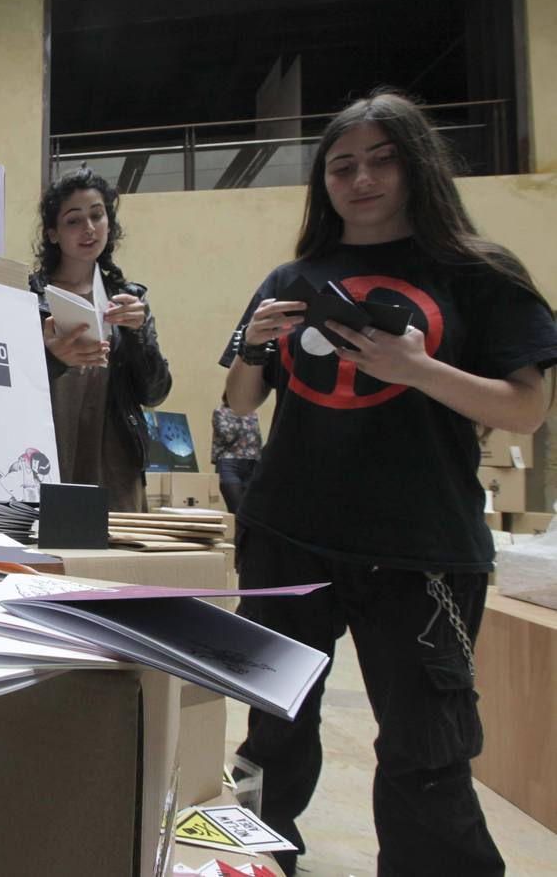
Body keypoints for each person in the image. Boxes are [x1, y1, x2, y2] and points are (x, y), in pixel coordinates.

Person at [219, 89, 557, 876]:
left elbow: (527, 410)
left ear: (417, 166)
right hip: (287, 536)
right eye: (342, 165)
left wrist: (416, 367)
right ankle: (257, 860)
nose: (361, 178)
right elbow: (242, 401)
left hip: (422, 549)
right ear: (322, 181)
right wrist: (254, 346)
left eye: (381, 159)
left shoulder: (478, 272)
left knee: (425, 746)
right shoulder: (294, 275)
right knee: (273, 724)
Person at [28, 168, 172, 511]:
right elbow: (7, 385)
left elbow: (156, 392)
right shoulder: (28, 295)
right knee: (51, 551)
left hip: (115, 457)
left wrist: (139, 336)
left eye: (97, 215)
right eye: (74, 220)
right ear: (53, 233)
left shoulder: (129, 300)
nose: (89, 228)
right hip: (48, 448)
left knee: (117, 556)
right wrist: (53, 358)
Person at [210, 393, 262, 513]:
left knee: (250, 513)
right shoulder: (220, 412)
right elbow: (227, 437)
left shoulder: (252, 414)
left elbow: (256, 440)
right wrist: (239, 416)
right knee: (236, 510)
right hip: (229, 465)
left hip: (251, 465)